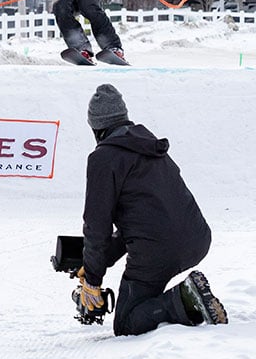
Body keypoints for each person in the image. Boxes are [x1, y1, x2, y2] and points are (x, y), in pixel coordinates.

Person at [77, 84, 226, 335]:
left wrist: (92, 279)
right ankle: (186, 298)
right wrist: (96, 263)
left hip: (158, 250)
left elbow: (97, 225)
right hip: (197, 239)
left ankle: (184, 298)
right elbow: (140, 220)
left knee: (126, 323)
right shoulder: (150, 147)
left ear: (96, 127)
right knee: (143, 294)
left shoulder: (104, 158)